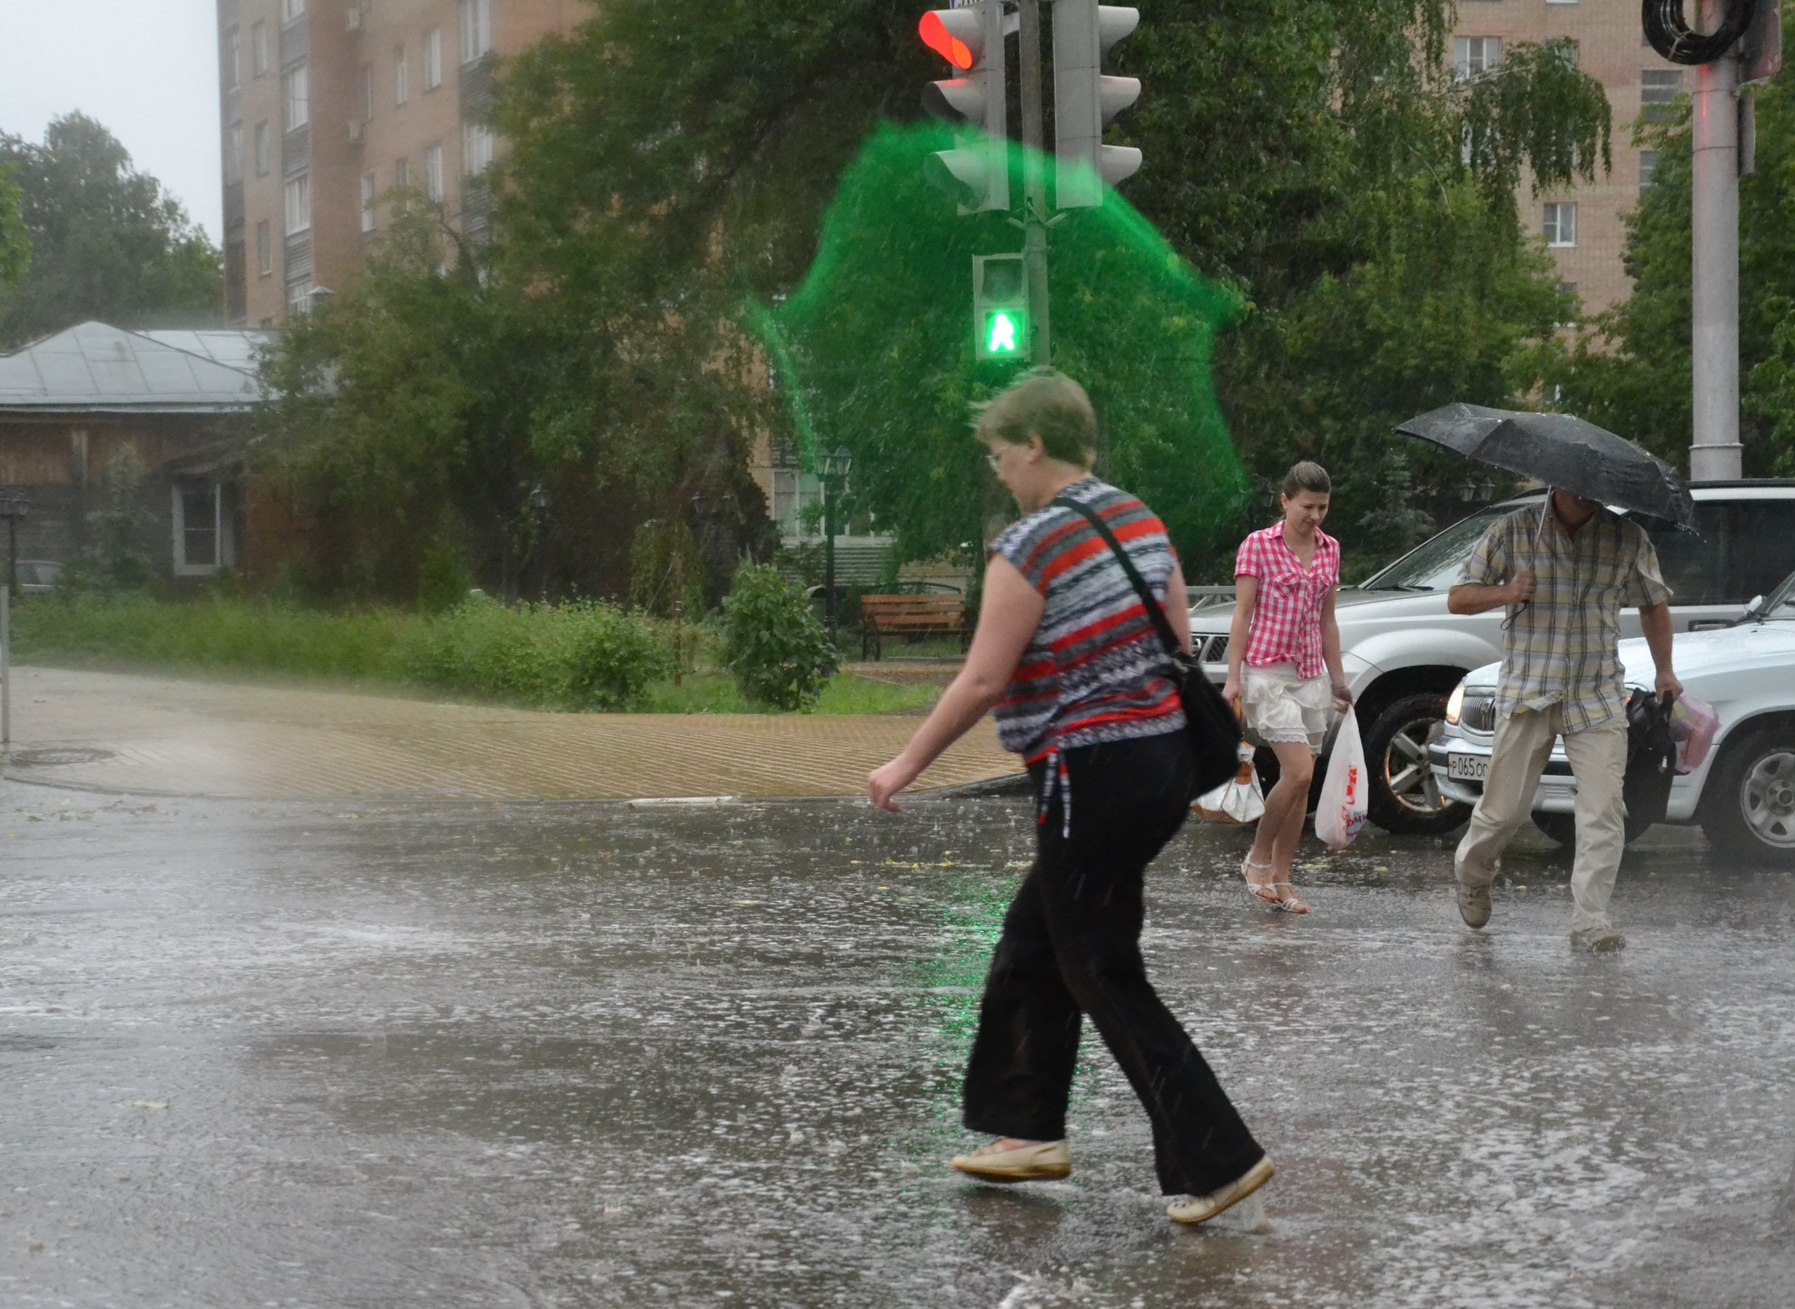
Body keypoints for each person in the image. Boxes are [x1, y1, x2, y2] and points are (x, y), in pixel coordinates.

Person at [866, 368, 1272, 1228]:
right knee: (1034, 935)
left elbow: (982, 677)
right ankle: (1024, 1131)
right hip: (1160, 764)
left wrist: (904, 762)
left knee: (1100, 966)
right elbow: (1169, 641)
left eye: (999, 454)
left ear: (1035, 446)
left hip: (1091, 773)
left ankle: (1218, 1157)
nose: (998, 471)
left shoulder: (1032, 544)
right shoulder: (1138, 521)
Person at [1447, 488, 1681, 953]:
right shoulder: (1514, 531)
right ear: (1559, 483)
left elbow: (1653, 604)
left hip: (1596, 693)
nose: (1587, 492)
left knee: (1603, 811)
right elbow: (1458, 598)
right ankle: (1473, 875)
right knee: (1505, 811)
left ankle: (1590, 920)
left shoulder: (1627, 537)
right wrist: (1508, 592)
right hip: (1529, 690)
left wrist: (1665, 670)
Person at [1220, 462, 1353, 913]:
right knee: (1296, 772)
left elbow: (1327, 619)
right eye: (1306, 506)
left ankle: (1282, 878)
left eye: (1323, 507)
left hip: (1311, 674)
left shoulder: (1330, 548)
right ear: (1285, 501)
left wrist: (1338, 680)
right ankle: (1256, 858)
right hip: (1266, 671)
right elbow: (1241, 615)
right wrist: (1233, 677)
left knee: (1303, 782)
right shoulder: (1258, 545)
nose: (1314, 516)